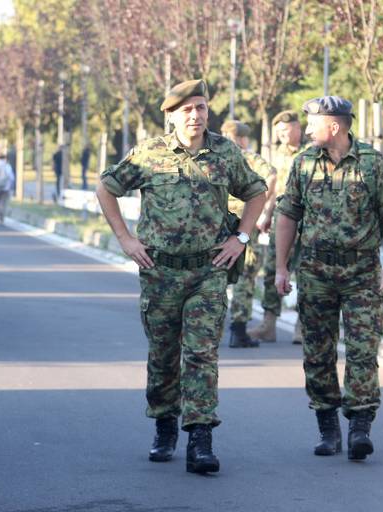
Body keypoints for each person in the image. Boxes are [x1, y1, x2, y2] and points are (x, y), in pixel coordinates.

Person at [96, 79, 267, 474]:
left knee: (202, 354)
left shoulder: (224, 152)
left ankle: (200, 438)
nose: (196, 116)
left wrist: (240, 238)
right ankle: (164, 423)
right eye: (187, 110)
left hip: (208, 270)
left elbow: (256, 192)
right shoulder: (149, 154)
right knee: (163, 354)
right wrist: (125, 238)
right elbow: (106, 189)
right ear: (171, 116)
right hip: (160, 272)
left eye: (202, 108)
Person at [274, 95, 383, 462]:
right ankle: (327, 426)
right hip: (315, 271)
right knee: (318, 352)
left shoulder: (372, 163)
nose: (307, 128)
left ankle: (360, 425)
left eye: (312, 122)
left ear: (333, 127)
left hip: (362, 270)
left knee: (363, 350)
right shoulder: (302, 164)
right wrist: (281, 268)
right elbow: (287, 216)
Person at [248, 110, 306, 344]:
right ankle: (268, 324)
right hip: (282, 220)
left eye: (286, 130)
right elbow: (273, 191)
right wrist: (266, 215)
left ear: (297, 128)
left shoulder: (312, 152)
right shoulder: (277, 155)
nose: (282, 135)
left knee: (305, 274)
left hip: (306, 222)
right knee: (273, 270)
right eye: (278, 132)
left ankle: (302, 327)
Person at [220, 120, 276, 348]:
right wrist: (261, 205)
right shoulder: (249, 157)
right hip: (245, 221)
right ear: (243, 139)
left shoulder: (216, 154)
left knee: (215, 271)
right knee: (244, 273)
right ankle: (238, 329)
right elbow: (271, 176)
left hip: (218, 220)